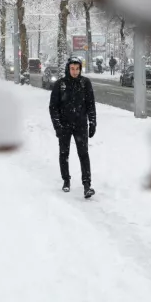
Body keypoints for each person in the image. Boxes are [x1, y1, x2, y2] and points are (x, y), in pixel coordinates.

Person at [49, 56, 97, 198]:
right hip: (65, 125)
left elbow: (90, 105)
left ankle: (87, 185)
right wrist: (57, 126)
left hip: (80, 124)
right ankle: (66, 180)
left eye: (77, 69)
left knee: (83, 154)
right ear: (68, 69)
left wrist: (92, 122)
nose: (75, 71)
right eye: (72, 69)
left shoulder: (85, 83)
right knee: (64, 153)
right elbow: (53, 107)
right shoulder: (60, 84)